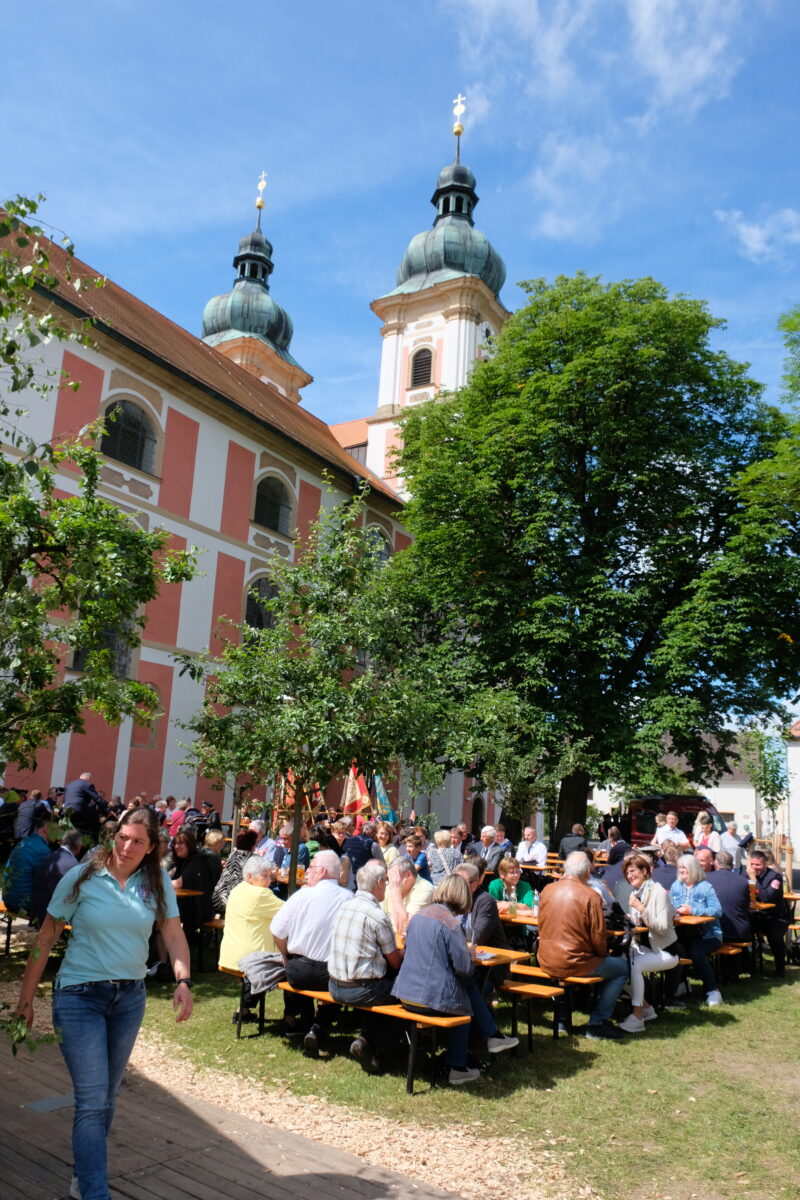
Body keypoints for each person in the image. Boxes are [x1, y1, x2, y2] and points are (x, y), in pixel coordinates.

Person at [15, 808, 192, 1200]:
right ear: (114, 836)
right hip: (79, 996)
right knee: (92, 1099)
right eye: (122, 837)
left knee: (107, 1096)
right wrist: (26, 1001)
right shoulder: (82, 876)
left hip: (129, 998)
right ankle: (95, 1192)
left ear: (151, 848)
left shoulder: (158, 881)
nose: (127, 847)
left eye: (138, 842)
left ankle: (84, 1178)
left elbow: (174, 934)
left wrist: (183, 980)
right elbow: (44, 941)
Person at [392, 874, 518, 1086]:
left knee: (464, 989)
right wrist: (469, 953)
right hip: (428, 1000)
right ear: (463, 897)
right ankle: (460, 1063)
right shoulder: (451, 924)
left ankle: (489, 1039)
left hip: (405, 994)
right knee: (465, 998)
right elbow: (466, 969)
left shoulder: (418, 917)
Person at [536, 851, 629, 1039]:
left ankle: (562, 1020)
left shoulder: (547, 890)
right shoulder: (591, 896)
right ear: (587, 871)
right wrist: (604, 953)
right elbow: (598, 937)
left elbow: (541, 924)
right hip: (575, 962)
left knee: (567, 970)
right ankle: (597, 1023)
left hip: (546, 958)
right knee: (621, 968)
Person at [270, 849, 350, 1053]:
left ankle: (305, 1023)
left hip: (300, 972)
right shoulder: (349, 898)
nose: (307, 872)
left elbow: (277, 930)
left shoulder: (302, 895)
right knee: (340, 983)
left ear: (322, 871)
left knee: (297, 969)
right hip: (331, 973)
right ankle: (317, 1026)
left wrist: (285, 954)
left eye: (311, 868)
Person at [327, 860, 403, 1073]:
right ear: (379, 883)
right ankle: (380, 1051)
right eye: (386, 882)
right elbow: (395, 961)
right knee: (405, 994)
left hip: (334, 985)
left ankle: (366, 1038)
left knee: (382, 985)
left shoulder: (344, 906)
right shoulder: (376, 915)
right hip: (360, 989)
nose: (387, 887)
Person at [617, 854, 680, 1033]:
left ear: (645, 871)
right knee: (618, 964)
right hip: (645, 948)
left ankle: (637, 1017)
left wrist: (640, 909)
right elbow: (641, 924)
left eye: (633, 871)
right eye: (627, 873)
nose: (629, 876)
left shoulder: (657, 892)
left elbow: (661, 927)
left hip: (666, 951)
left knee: (634, 965)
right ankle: (646, 1007)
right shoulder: (636, 893)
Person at [219, 855, 284, 1023]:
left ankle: (244, 1010)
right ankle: (293, 1018)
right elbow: (288, 912)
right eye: (264, 876)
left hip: (230, 953)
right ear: (249, 876)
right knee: (286, 966)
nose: (269, 880)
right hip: (249, 958)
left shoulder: (237, 889)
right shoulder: (260, 894)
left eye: (270, 876)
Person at [667, 853, 724, 1007]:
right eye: (679, 867)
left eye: (684, 867)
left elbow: (717, 911)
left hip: (708, 935)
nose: (681, 870)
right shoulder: (676, 886)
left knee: (695, 952)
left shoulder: (705, 887)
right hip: (683, 932)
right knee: (675, 950)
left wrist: (693, 909)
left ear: (692, 868)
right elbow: (670, 905)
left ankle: (713, 991)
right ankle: (681, 986)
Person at [30, 828, 86, 926]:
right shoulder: (72, 866)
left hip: (38, 910)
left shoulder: (51, 856)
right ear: (78, 846)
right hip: (52, 916)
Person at [748, 848, 789, 977]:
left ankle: (780, 969)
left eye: (758, 865)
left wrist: (753, 880)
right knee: (741, 928)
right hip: (758, 915)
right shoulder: (745, 873)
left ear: (765, 864)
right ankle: (746, 965)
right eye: (752, 864)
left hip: (776, 916)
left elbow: (767, 898)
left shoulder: (775, 877)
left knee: (774, 936)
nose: (755, 868)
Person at [2, 816, 52, 915]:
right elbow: (44, 882)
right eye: (56, 828)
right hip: (23, 904)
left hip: (8, 898)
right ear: (45, 828)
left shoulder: (23, 842)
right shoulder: (43, 850)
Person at [703, 849, 751, 943]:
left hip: (715, 931)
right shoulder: (743, 881)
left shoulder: (706, 878)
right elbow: (746, 905)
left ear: (716, 865)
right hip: (739, 931)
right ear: (732, 866)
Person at [381, 856, 434, 934]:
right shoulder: (390, 885)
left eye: (395, 878)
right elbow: (380, 920)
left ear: (408, 875)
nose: (391, 883)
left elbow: (404, 927)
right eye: (390, 878)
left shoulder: (425, 889)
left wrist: (395, 892)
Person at [212, 828, 258, 914]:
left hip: (217, 899)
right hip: (235, 902)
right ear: (252, 844)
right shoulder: (253, 859)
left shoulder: (232, 855)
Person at [63, 773, 106, 838]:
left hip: (66, 812)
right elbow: (97, 799)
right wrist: (107, 811)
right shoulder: (87, 784)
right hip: (78, 812)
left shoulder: (69, 785)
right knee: (90, 825)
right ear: (88, 779)